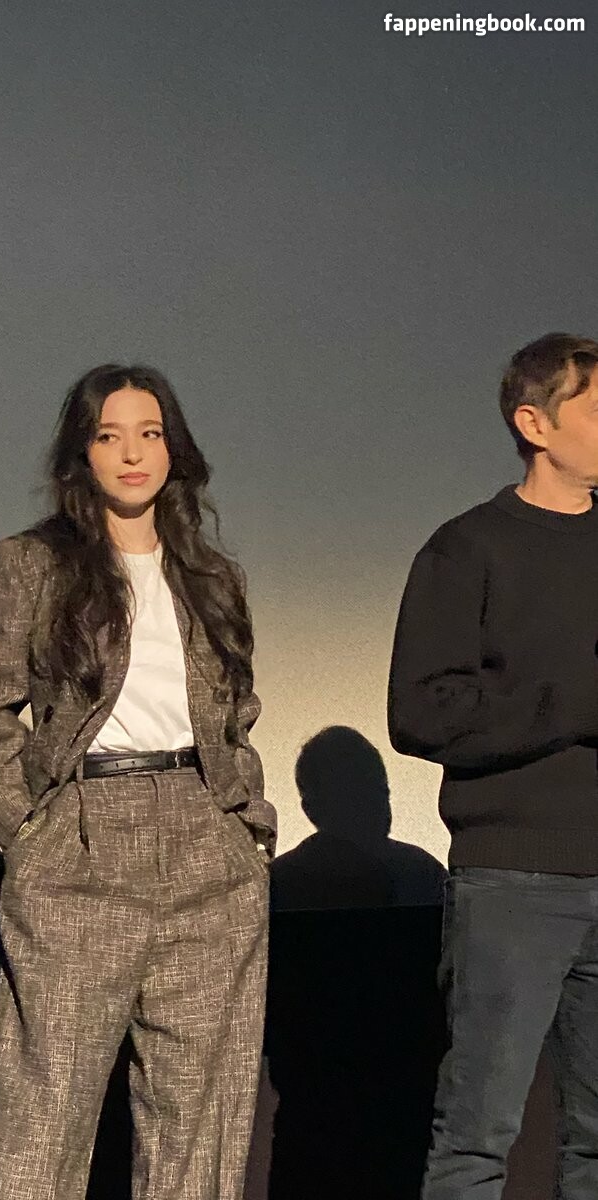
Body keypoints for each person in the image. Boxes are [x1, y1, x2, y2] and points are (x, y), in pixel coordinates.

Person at [0, 364, 275, 1200]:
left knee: (199, 1130)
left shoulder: (214, 578)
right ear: (80, 453)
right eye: (109, 435)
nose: (133, 454)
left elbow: (235, 719)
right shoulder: (28, 565)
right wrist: (32, 840)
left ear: (175, 450)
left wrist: (248, 827)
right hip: (80, 846)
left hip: (208, 851)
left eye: (150, 434)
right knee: (42, 1125)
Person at [388, 332, 598, 1199]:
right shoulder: (468, 548)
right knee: (479, 1136)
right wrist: (573, 703)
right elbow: (422, 711)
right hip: (516, 880)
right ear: (534, 424)